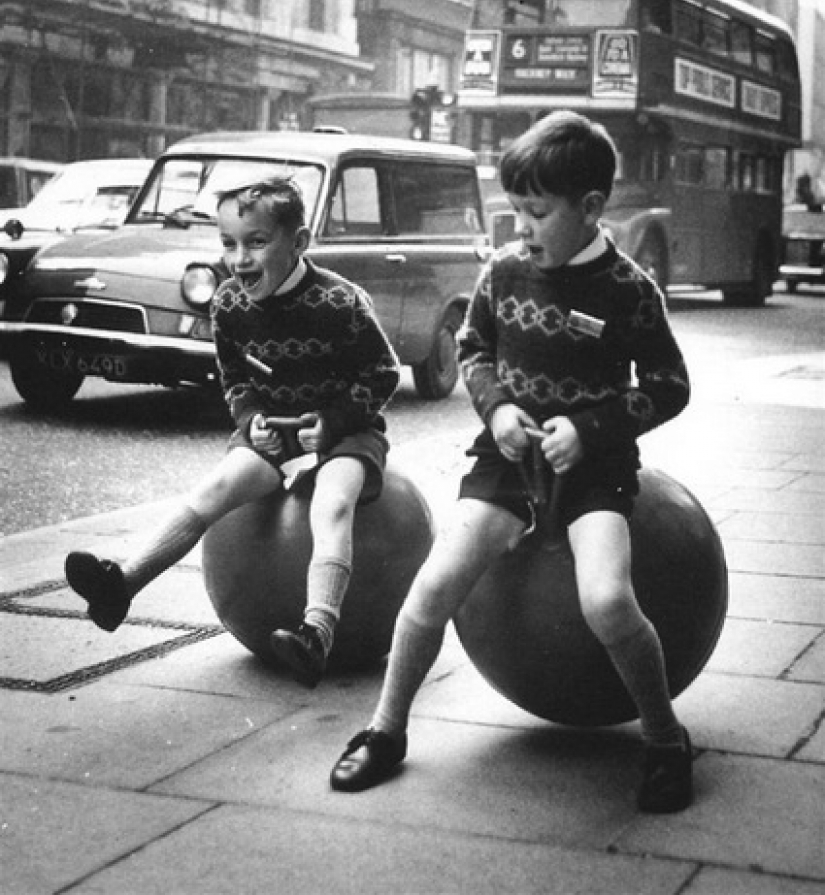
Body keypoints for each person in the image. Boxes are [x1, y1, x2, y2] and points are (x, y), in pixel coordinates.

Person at [330, 111, 693, 813]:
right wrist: (496, 409)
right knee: (432, 587)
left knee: (607, 600)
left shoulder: (628, 289)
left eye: (537, 213)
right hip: (505, 463)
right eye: (515, 210)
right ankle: (385, 730)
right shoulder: (501, 271)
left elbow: (669, 384)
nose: (521, 227)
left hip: (594, 472)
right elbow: (473, 349)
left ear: (590, 208)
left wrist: (589, 428)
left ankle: (663, 739)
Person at [65, 176, 400, 688]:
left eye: (257, 242)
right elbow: (236, 380)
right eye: (229, 243)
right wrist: (252, 421)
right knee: (213, 489)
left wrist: (333, 423)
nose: (239, 259)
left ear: (299, 242)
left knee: (332, 503)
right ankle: (122, 586)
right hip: (273, 434)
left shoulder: (340, 302)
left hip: (343, 435)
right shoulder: (227, 304)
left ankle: (317, 632)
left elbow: (383, 372)